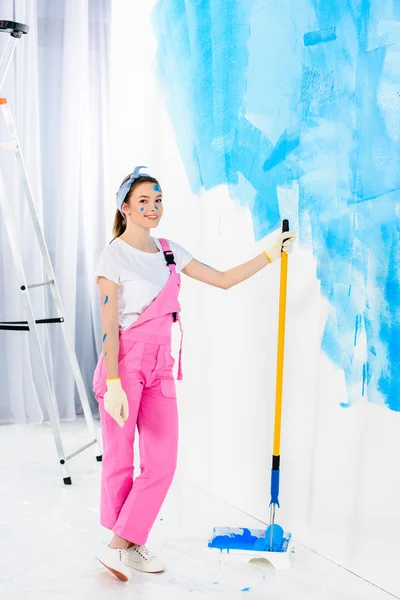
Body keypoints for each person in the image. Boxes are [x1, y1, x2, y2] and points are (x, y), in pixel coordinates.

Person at [93, 166, 295, 581]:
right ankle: (128, 544)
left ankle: (120, 545)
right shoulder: (113, 256)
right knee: (119, 461)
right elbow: (108, 324)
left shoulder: (170, 251)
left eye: (158, 199)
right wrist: (113, 382)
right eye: (144, 201)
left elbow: (222, 280)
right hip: (124, 365)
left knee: (162, 463)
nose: (153, 208)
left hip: (161, 367)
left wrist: (270, 252)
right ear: (126, 208)